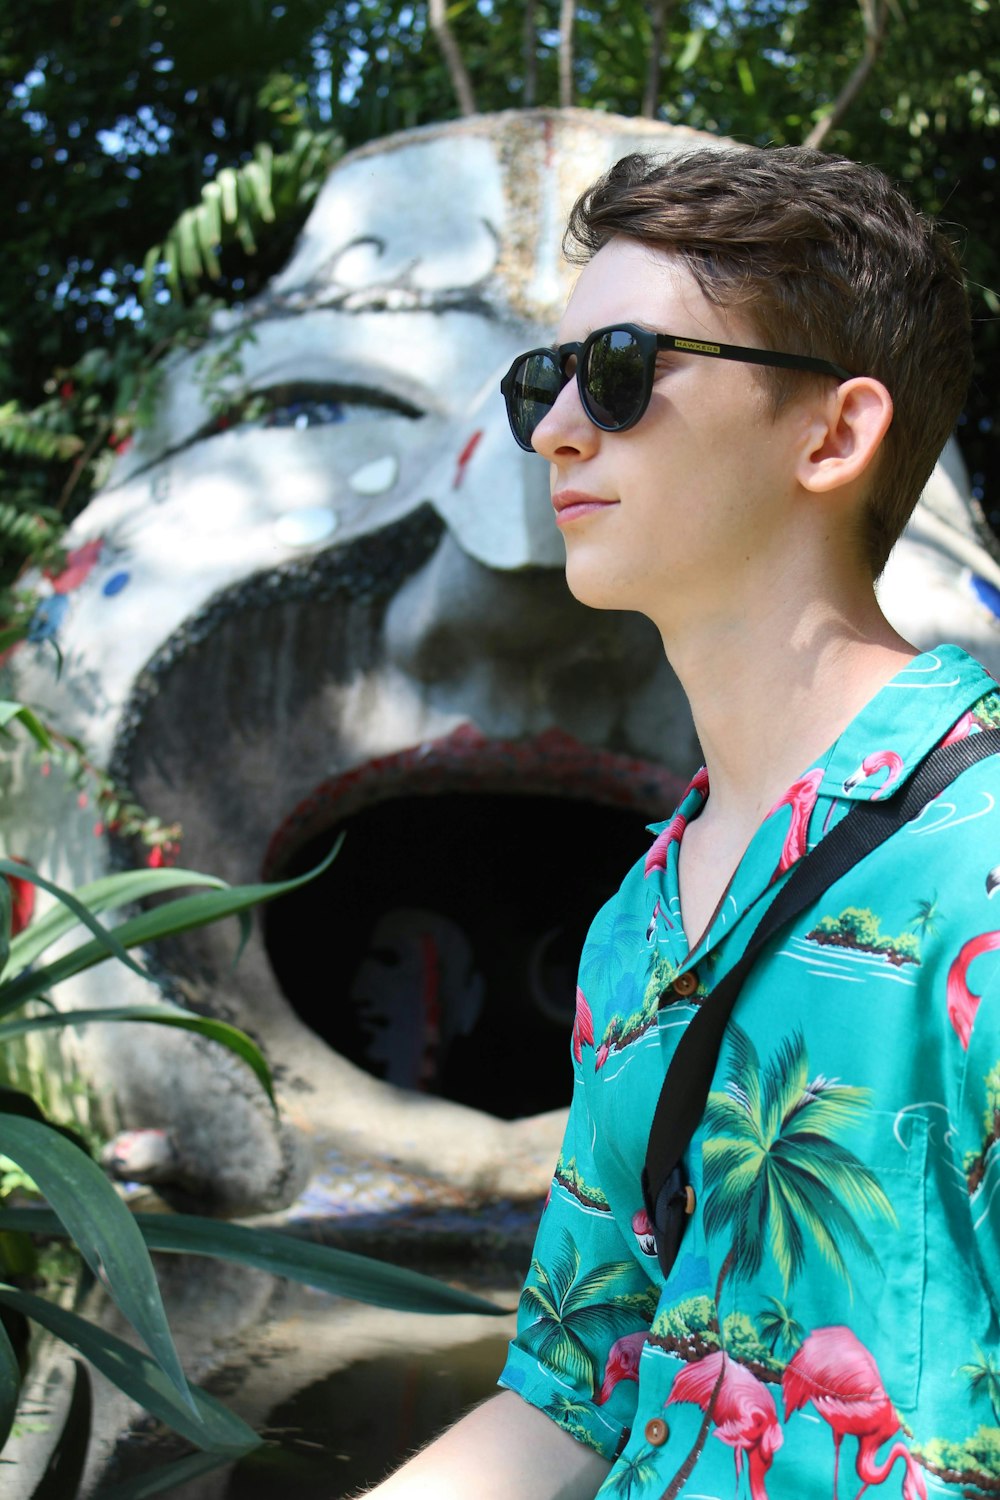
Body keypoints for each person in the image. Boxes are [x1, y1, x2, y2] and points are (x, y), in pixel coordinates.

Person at [357, 146, 1000, 1498]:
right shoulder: (635, 928)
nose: (551, 432)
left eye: (625, 371)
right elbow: (577, 1393)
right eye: (548, 380)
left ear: (833, 433)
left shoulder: (981, 865)